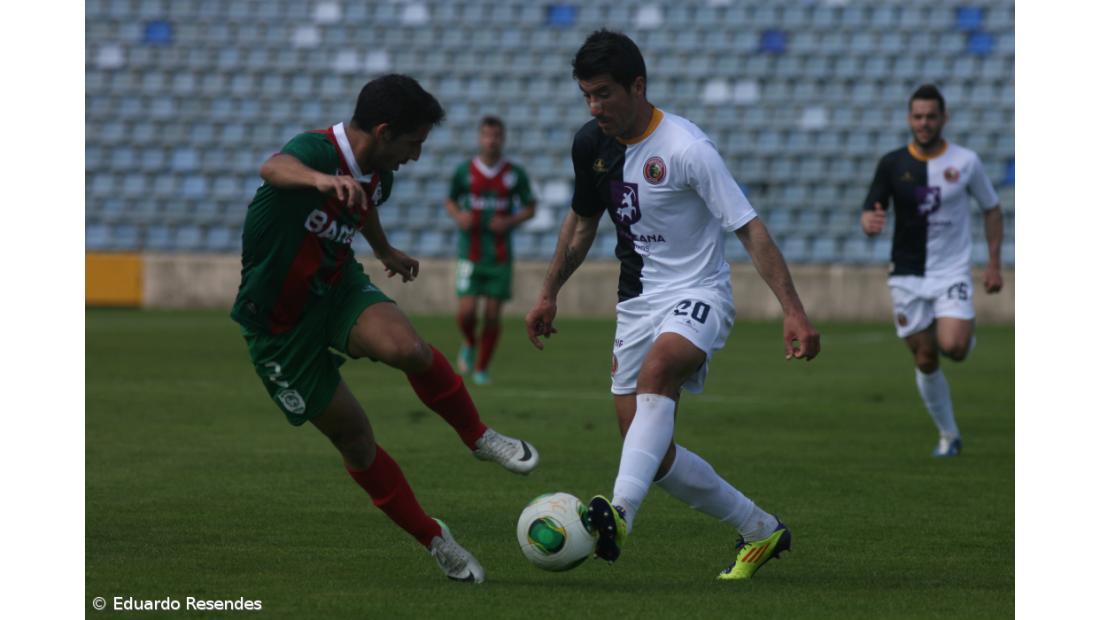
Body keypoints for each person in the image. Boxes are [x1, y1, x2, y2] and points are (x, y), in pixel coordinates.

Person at [524, 30, 820, 581]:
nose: (595, 106)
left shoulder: (687, 148)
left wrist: (793, 310)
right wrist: (549, 292)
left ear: (638, 86)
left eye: (605, 93)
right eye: (587, 95)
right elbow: (583, 222)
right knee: (654, 457)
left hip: (698, 293)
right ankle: (761, 530)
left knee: (660, 372)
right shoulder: (591, 145)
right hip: (636, 303)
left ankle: (619, 514)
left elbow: (749, 229)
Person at [230, 74, 539, 584]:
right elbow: (273, 166)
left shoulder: (380, 175)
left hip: (335, 288)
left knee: (408, 347)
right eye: (413, 143)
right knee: (356, 440)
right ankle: (434, 539)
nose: (415, 156)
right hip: (278, 328)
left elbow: (364, 205)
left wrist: (383, 250)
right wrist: (320, 180)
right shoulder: (316, 150)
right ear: (383, 131)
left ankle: (479, 437)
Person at [861, 84, 1003, 458]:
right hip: (907, 274)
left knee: (954, 347)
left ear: (944, 118)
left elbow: (992, 208)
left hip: (951, 270)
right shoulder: (892, 164)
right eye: (918, 117)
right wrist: (870, 221)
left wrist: (992, 263)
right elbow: (871, 208)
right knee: (925, 358)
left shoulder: (966, 161)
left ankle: (961, 331)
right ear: (910, 119)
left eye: (931, 117)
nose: (924, 123)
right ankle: (948, 434)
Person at [443, 116, 537, 385]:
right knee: (467, 312)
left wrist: (509, 221)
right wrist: (459, 215)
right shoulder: (465, 171)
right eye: (486, 135)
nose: (491, 140)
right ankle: (470, 342)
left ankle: (482, 368)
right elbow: (450, 200)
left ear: (502, 138)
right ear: (479, 138)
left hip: (499, 255)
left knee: (493, 315)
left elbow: (530, 207)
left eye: (496, 135)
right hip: (469, 253)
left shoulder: (513, 174)